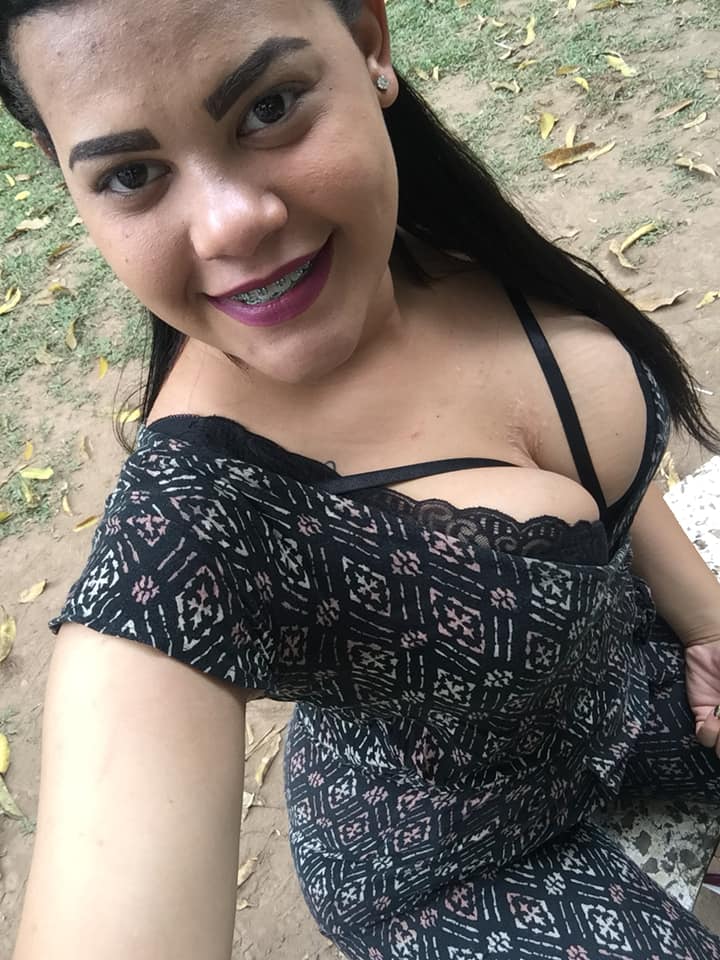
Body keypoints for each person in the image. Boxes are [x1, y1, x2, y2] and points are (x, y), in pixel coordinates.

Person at [5, 0, 720, 957]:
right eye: (131, 174)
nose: (231, 225)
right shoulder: (190, 526)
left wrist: (707, 623)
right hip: (442, 861)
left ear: (371, 44)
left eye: (268, 108)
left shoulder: (438, 242)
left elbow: (603, 498)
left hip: (630, 691)